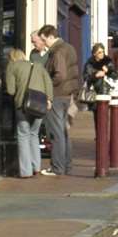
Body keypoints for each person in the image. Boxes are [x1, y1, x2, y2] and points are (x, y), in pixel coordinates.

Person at [36, 26, 80, 177]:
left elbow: (60, 75)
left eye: (43, 39)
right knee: (63, 132)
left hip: (57, 95)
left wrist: (47, 85)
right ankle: (66, 165)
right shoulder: (69, 48)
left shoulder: (57, 51)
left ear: (50, 37)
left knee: (56, 133)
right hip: (67, 95)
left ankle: (57, 167)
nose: (43, 43)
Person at [3, 48, 49, 179]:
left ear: (11, 58)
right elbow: (48, 84)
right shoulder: (37, 66)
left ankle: (26, 171)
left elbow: (11, 91)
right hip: (39, 106)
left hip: (23, 106)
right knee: (34, 134)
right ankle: (37, 167)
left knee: (23, 135)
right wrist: (49, 99)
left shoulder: (12, 67)